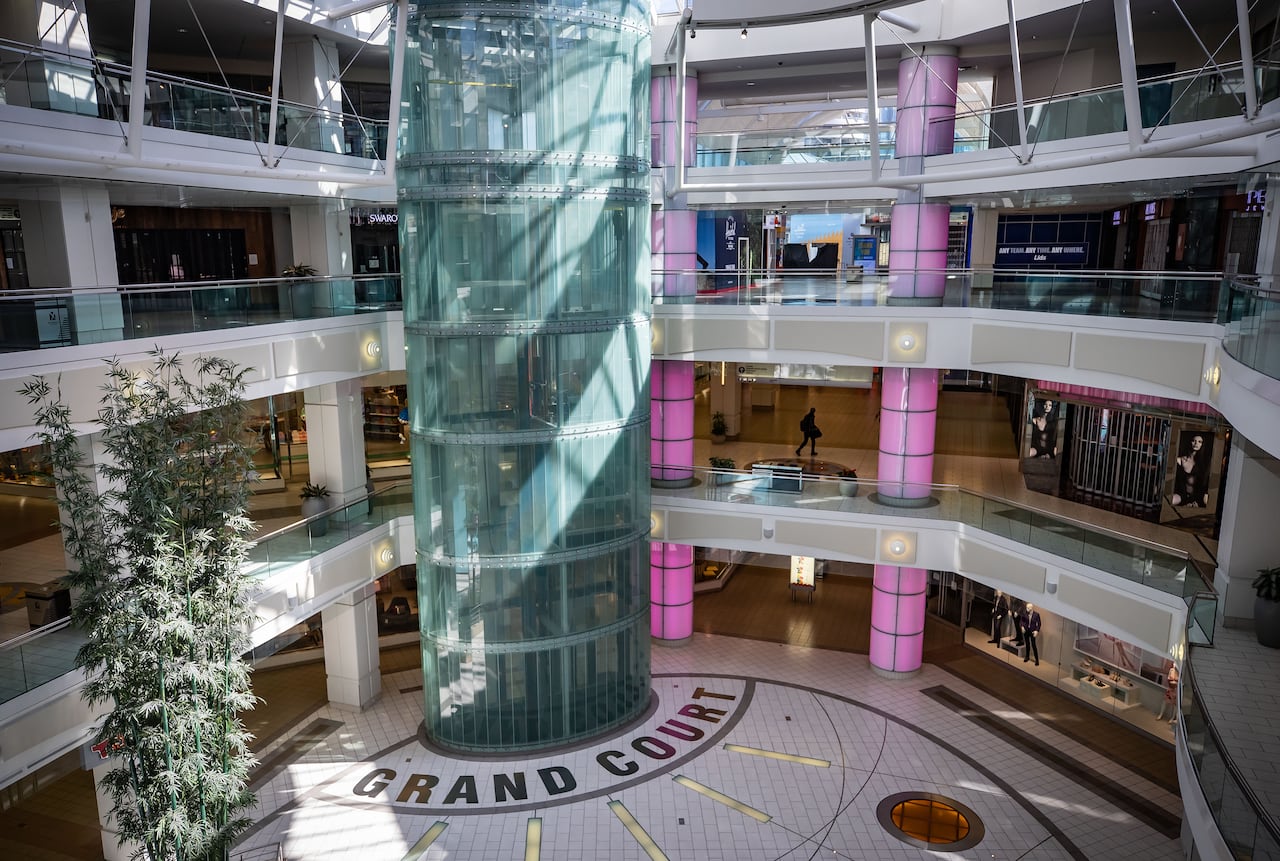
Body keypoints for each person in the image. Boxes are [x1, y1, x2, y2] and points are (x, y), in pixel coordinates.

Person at [1172, 432, 1209, 508]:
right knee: (1171, 500)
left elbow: (1204, 487)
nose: (1196, 443)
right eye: (1194, 440)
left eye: (1199, 442)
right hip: (1182, 494)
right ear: (1190, 442)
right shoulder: (1180, 460)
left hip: (1197, 497)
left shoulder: (1203, 464)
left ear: (1202, 445)